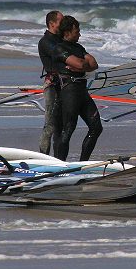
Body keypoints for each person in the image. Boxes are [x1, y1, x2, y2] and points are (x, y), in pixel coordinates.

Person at [51, 16, 103, 161]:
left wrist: (79, 64)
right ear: (67, 32)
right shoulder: (59, 48)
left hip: (82, 91)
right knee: (68, 130)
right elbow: (82, 65)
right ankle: (60, 165)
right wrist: (81, 64)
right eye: (77, 31)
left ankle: (82, 164)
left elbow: (93, 64)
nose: (79, 34)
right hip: (69, 91)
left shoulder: (78, 47)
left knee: (96, 128)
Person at [37, 10, 64, 155]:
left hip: (63, 85)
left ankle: (59, 158)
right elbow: (61, 55)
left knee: (61, 125)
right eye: (61, 21)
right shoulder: (46, 42)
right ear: (52, 24)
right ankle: (43, 156)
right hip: (52, 86)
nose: (64, 24)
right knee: (50, 125)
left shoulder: (60, 39)